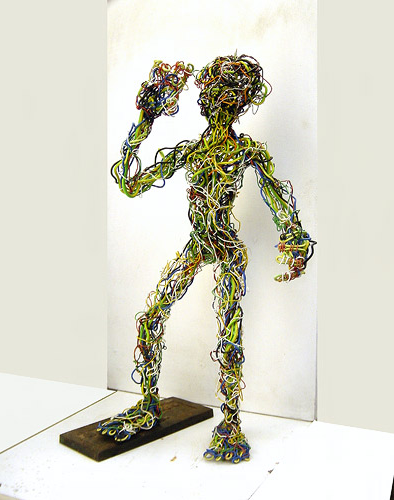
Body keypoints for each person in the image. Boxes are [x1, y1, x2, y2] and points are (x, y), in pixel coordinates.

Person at [98, 55, 316, 463]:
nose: (224, 104)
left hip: (228, 249)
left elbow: (277, 199)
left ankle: (231, 425)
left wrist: (295, 240)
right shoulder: (191, 152)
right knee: (149, 318)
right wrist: (146, 119)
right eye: (219, 94)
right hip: (198, 245)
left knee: (229, 339)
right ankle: (148, 404)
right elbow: (129, 184)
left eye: (234, 97)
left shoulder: (247, 151)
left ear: (243, 102)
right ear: (207, 97)